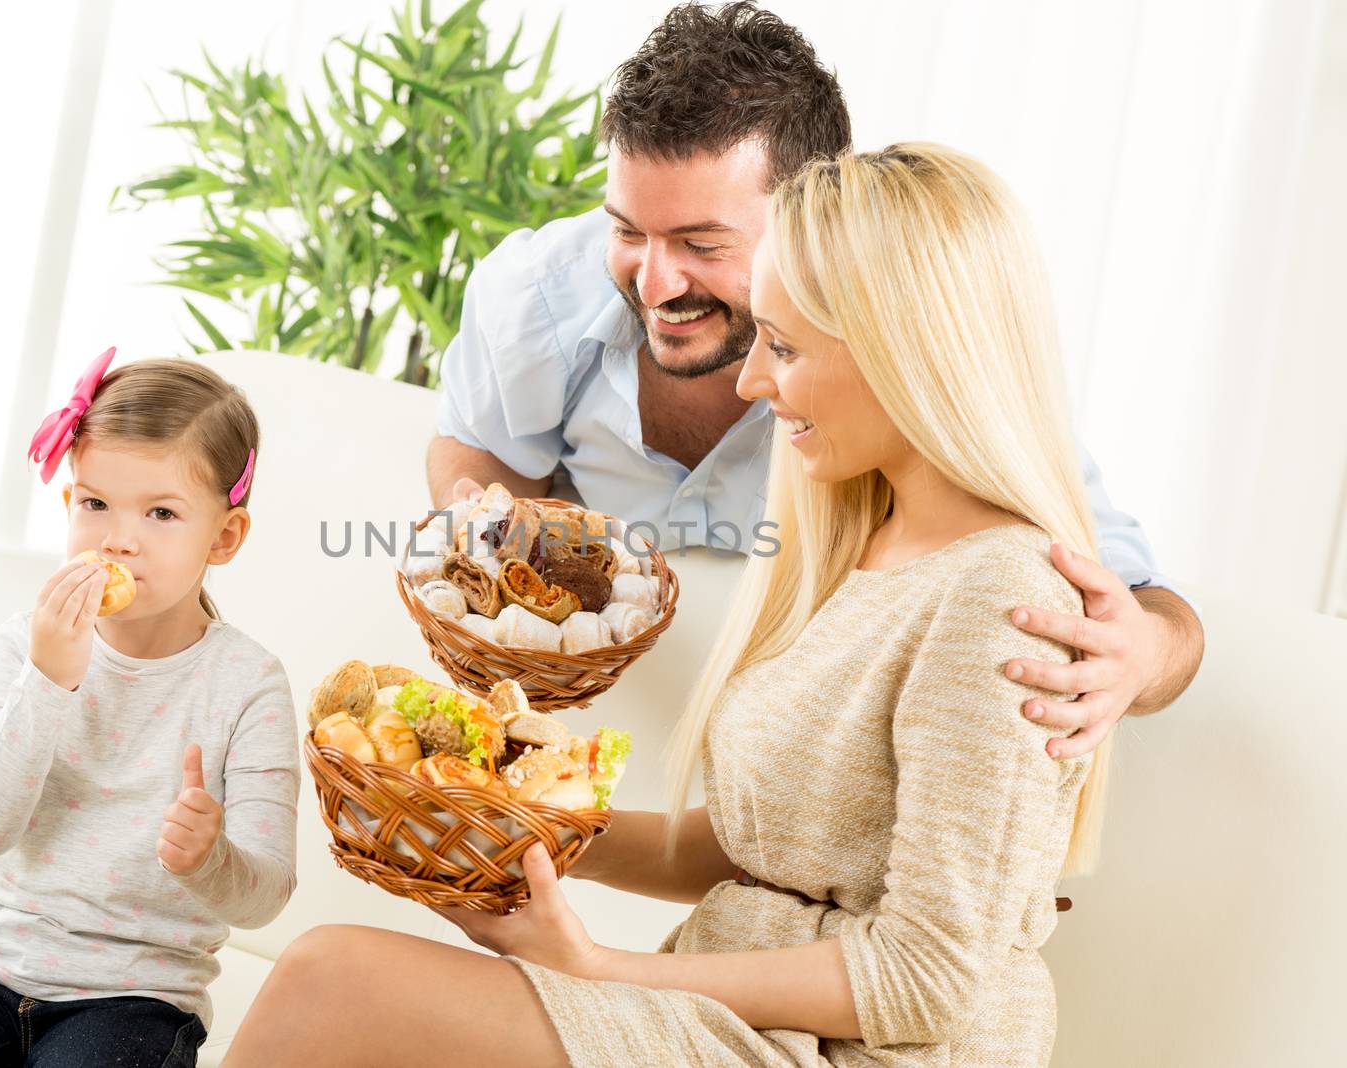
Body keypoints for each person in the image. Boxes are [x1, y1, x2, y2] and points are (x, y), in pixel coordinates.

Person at [225, 140, 1112, 1067]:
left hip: (854, 1051)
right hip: (729, 1020)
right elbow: (760, 849)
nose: (754, 383)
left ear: (908, 348)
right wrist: (521, 820)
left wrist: (597, 966)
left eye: (786, 346)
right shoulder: (867, 545)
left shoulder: (1004, 595)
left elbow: (922, 980)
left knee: (332, 981)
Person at [427, 1, 1202, 760]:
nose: (655, 283)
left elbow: (1148, 607)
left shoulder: (896, 360)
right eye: (628, 230)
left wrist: (1142, 655)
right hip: (598, 719)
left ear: (815, 222)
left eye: (702, 243)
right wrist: (491, 545)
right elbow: (475, 446)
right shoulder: (535, 298)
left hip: (774, 751)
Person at [0, 352, 300, 1068]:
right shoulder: (21, 647)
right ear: (69, 507)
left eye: (160, 512)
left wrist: (210, 859)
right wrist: (48, 682)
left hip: (137, 999)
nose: (118, 537)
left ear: (224, 537)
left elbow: (266, 896)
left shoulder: (248, 685)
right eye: (95, 504)